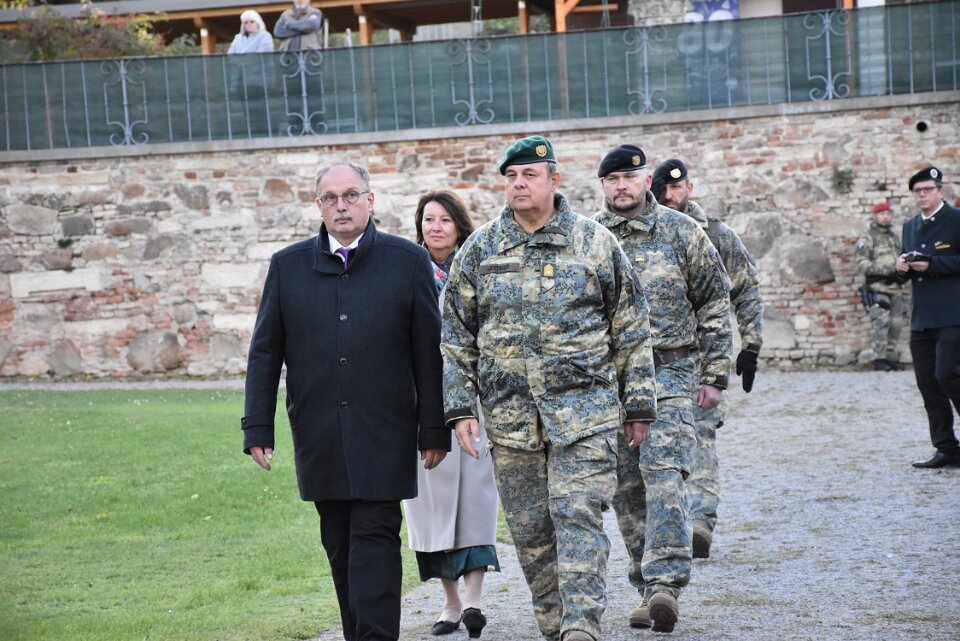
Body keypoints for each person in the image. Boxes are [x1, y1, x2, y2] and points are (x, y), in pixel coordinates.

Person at [442, 136, 658, 641]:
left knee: (578, 514)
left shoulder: (594, 242)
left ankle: (581, 625)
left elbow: (631, 326)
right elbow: (454, 336)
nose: (519, 184)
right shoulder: (481, 249)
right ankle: (555, 624)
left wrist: (639, 403)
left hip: (585, 415)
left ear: (554, 180)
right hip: (512, 421)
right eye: (511, 176)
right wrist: (459, 407)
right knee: (532, 531)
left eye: (529, 175)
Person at [242, 161, 450, 641]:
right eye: (331, 198)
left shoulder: (407, 261)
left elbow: (428, 353)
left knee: (375, 540)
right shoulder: (288, 267)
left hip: (386, 430)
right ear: (319, 206)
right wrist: (257, 426)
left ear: (370, 201)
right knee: (338, 545)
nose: (342, 205)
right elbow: (265, 351)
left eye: (351, 195)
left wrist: (434, 429)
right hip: (319, 431)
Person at [594, 147, 732, 633]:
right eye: (612, 179)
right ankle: (643, 585)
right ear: (603, 185)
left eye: (629, 177)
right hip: (611, 382)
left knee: (665, 474)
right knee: (627, 487)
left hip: (670, 373)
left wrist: (715, 373)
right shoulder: (590, 238)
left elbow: (714, 301)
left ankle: (665, 584)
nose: (622, 186)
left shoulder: (682, 232)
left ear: (645, 180)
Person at [651, 158, 763, 559]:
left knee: (700, 440)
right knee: (657, 450)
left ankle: (700, 522)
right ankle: (667, 527)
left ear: (690, 188)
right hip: (653, 364)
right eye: (662, 189)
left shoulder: (716, 235)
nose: (669, 196)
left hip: (702, 360)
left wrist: (751, 345)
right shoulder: (644, 233)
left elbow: (746, 289)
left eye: (676, 188)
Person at [402, 191, 500, 639]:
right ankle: (451, 601)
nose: (435, 227)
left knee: (477, 497)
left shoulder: (479, 266)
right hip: (422, 401)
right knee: (431, 505)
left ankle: (475, 599)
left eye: (444, 220)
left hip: (474, 399)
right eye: (428, 219)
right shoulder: (405, 270)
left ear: (459, 226)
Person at [895, 166, 960, 469]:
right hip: (922, 317)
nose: (921, 195)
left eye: (927, 190)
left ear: (940, 191)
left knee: (947, 375)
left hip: (952, 313)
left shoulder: (956, 219)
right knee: (927, 383)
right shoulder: (910, 226)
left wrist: (933, 264)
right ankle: (946, 447)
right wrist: (901, 268)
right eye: (917, 191)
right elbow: (908, 267)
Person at [854, 201, 904, 371]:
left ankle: (890, 356)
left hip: (895, 288)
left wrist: (901, 274)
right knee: (881, 323)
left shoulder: (894, 237)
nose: (886, 217)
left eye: (888, 214)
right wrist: (886, 271)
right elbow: (862, 263)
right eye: (882, 214)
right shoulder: (868, 237)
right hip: (878, 287)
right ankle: (879, 358)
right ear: (875, 216)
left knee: (896, 323)